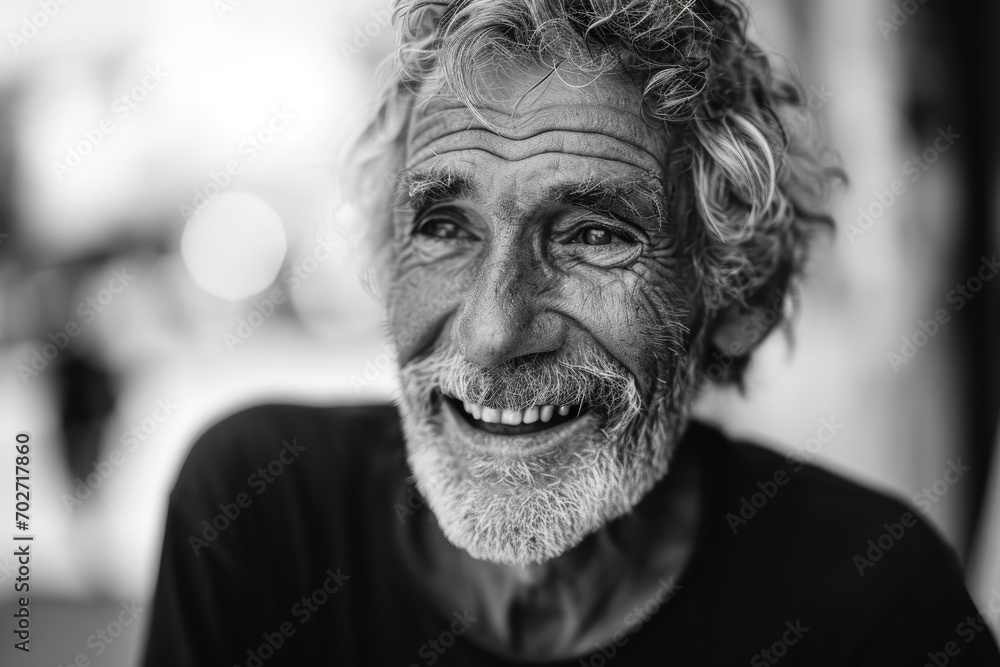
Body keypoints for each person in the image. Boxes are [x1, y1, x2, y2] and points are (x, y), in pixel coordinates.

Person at [144, 0, 1000, 664]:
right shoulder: (263, 518)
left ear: (737, 298)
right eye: (445, 226)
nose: (489, 334)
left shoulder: (870, 606)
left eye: (594, 235)